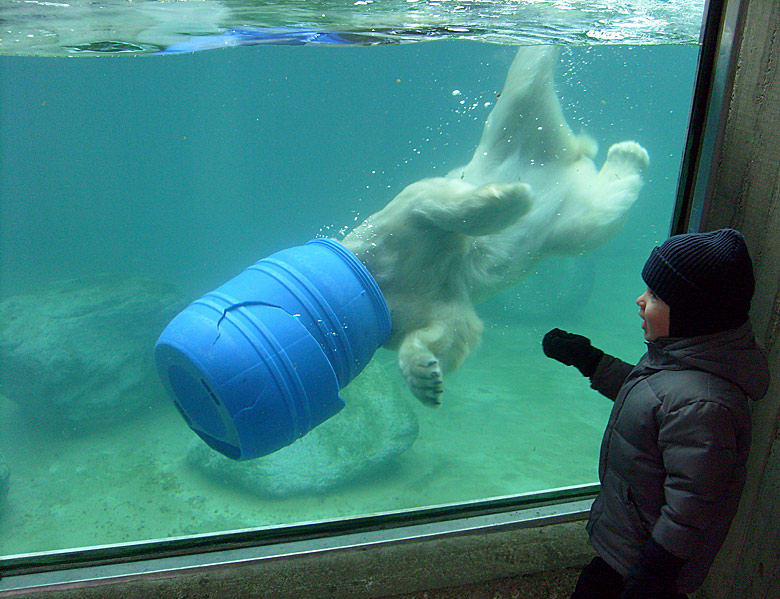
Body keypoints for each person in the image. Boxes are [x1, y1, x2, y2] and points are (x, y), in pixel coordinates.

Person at [541, 228, 770, 599]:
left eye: (656, 295)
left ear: (693, 314)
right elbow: (653, 401)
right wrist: (591, 361)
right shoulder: (681, 362)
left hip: (645, 567)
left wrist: (655, 571)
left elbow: (694, 504)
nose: (641, 300)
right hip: (631, 551)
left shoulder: (704, 406)